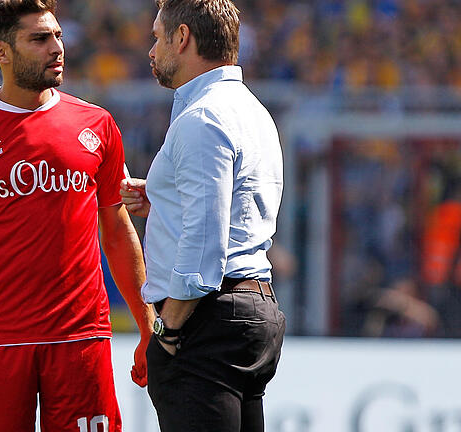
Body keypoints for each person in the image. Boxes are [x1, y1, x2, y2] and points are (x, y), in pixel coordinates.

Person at [0, 1, 153, 431]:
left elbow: (117, 230)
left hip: (81, 334)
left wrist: (146, 323)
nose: (57, 48)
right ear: (1, 52)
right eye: (40, 39)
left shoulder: (96, 124)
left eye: (58, 36)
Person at [120, 1, 285, 430]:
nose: (151, 50)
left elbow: (206, 241)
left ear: (182, 37)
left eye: (157, 37)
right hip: (249, 307)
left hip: (205, 318)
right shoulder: (251, 109)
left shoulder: (203, 117)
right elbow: (237, 210)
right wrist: (165, 198)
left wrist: (168, 329)